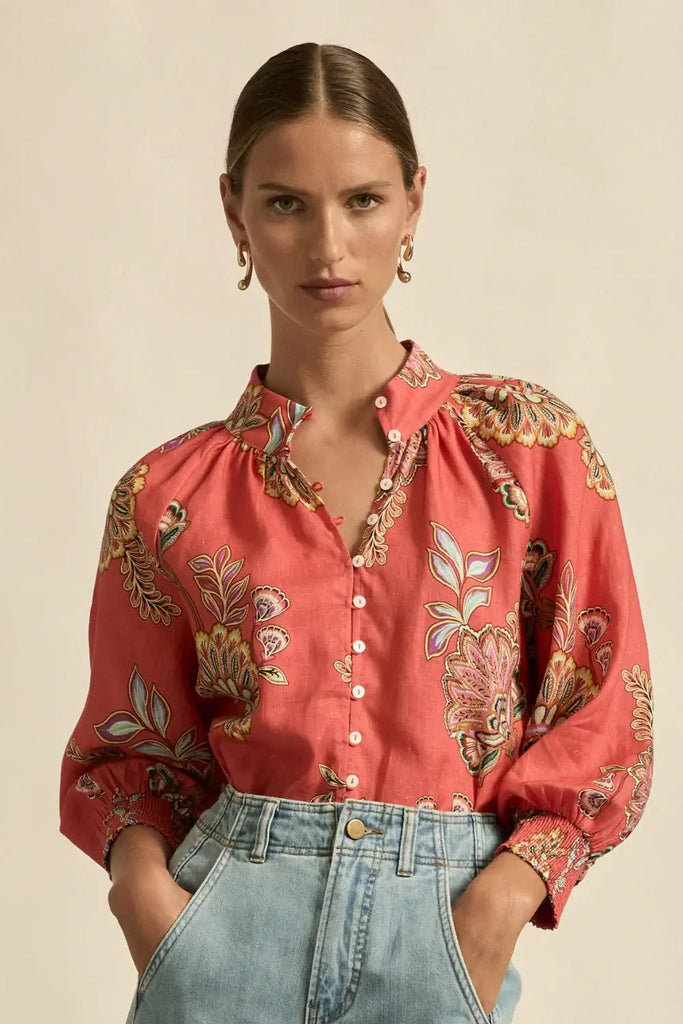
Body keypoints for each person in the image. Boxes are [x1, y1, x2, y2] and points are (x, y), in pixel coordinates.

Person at [59, 41, 652, 1024]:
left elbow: (603, 709)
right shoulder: (167, 497)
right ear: (233, 210)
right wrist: (149, 901)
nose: (326, 245)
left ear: (413, 202)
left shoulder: (526, 451)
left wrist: (501, 895)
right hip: (223, 937)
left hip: (443, 930)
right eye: (286, 202)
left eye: (362, 201)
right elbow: (130, 755)